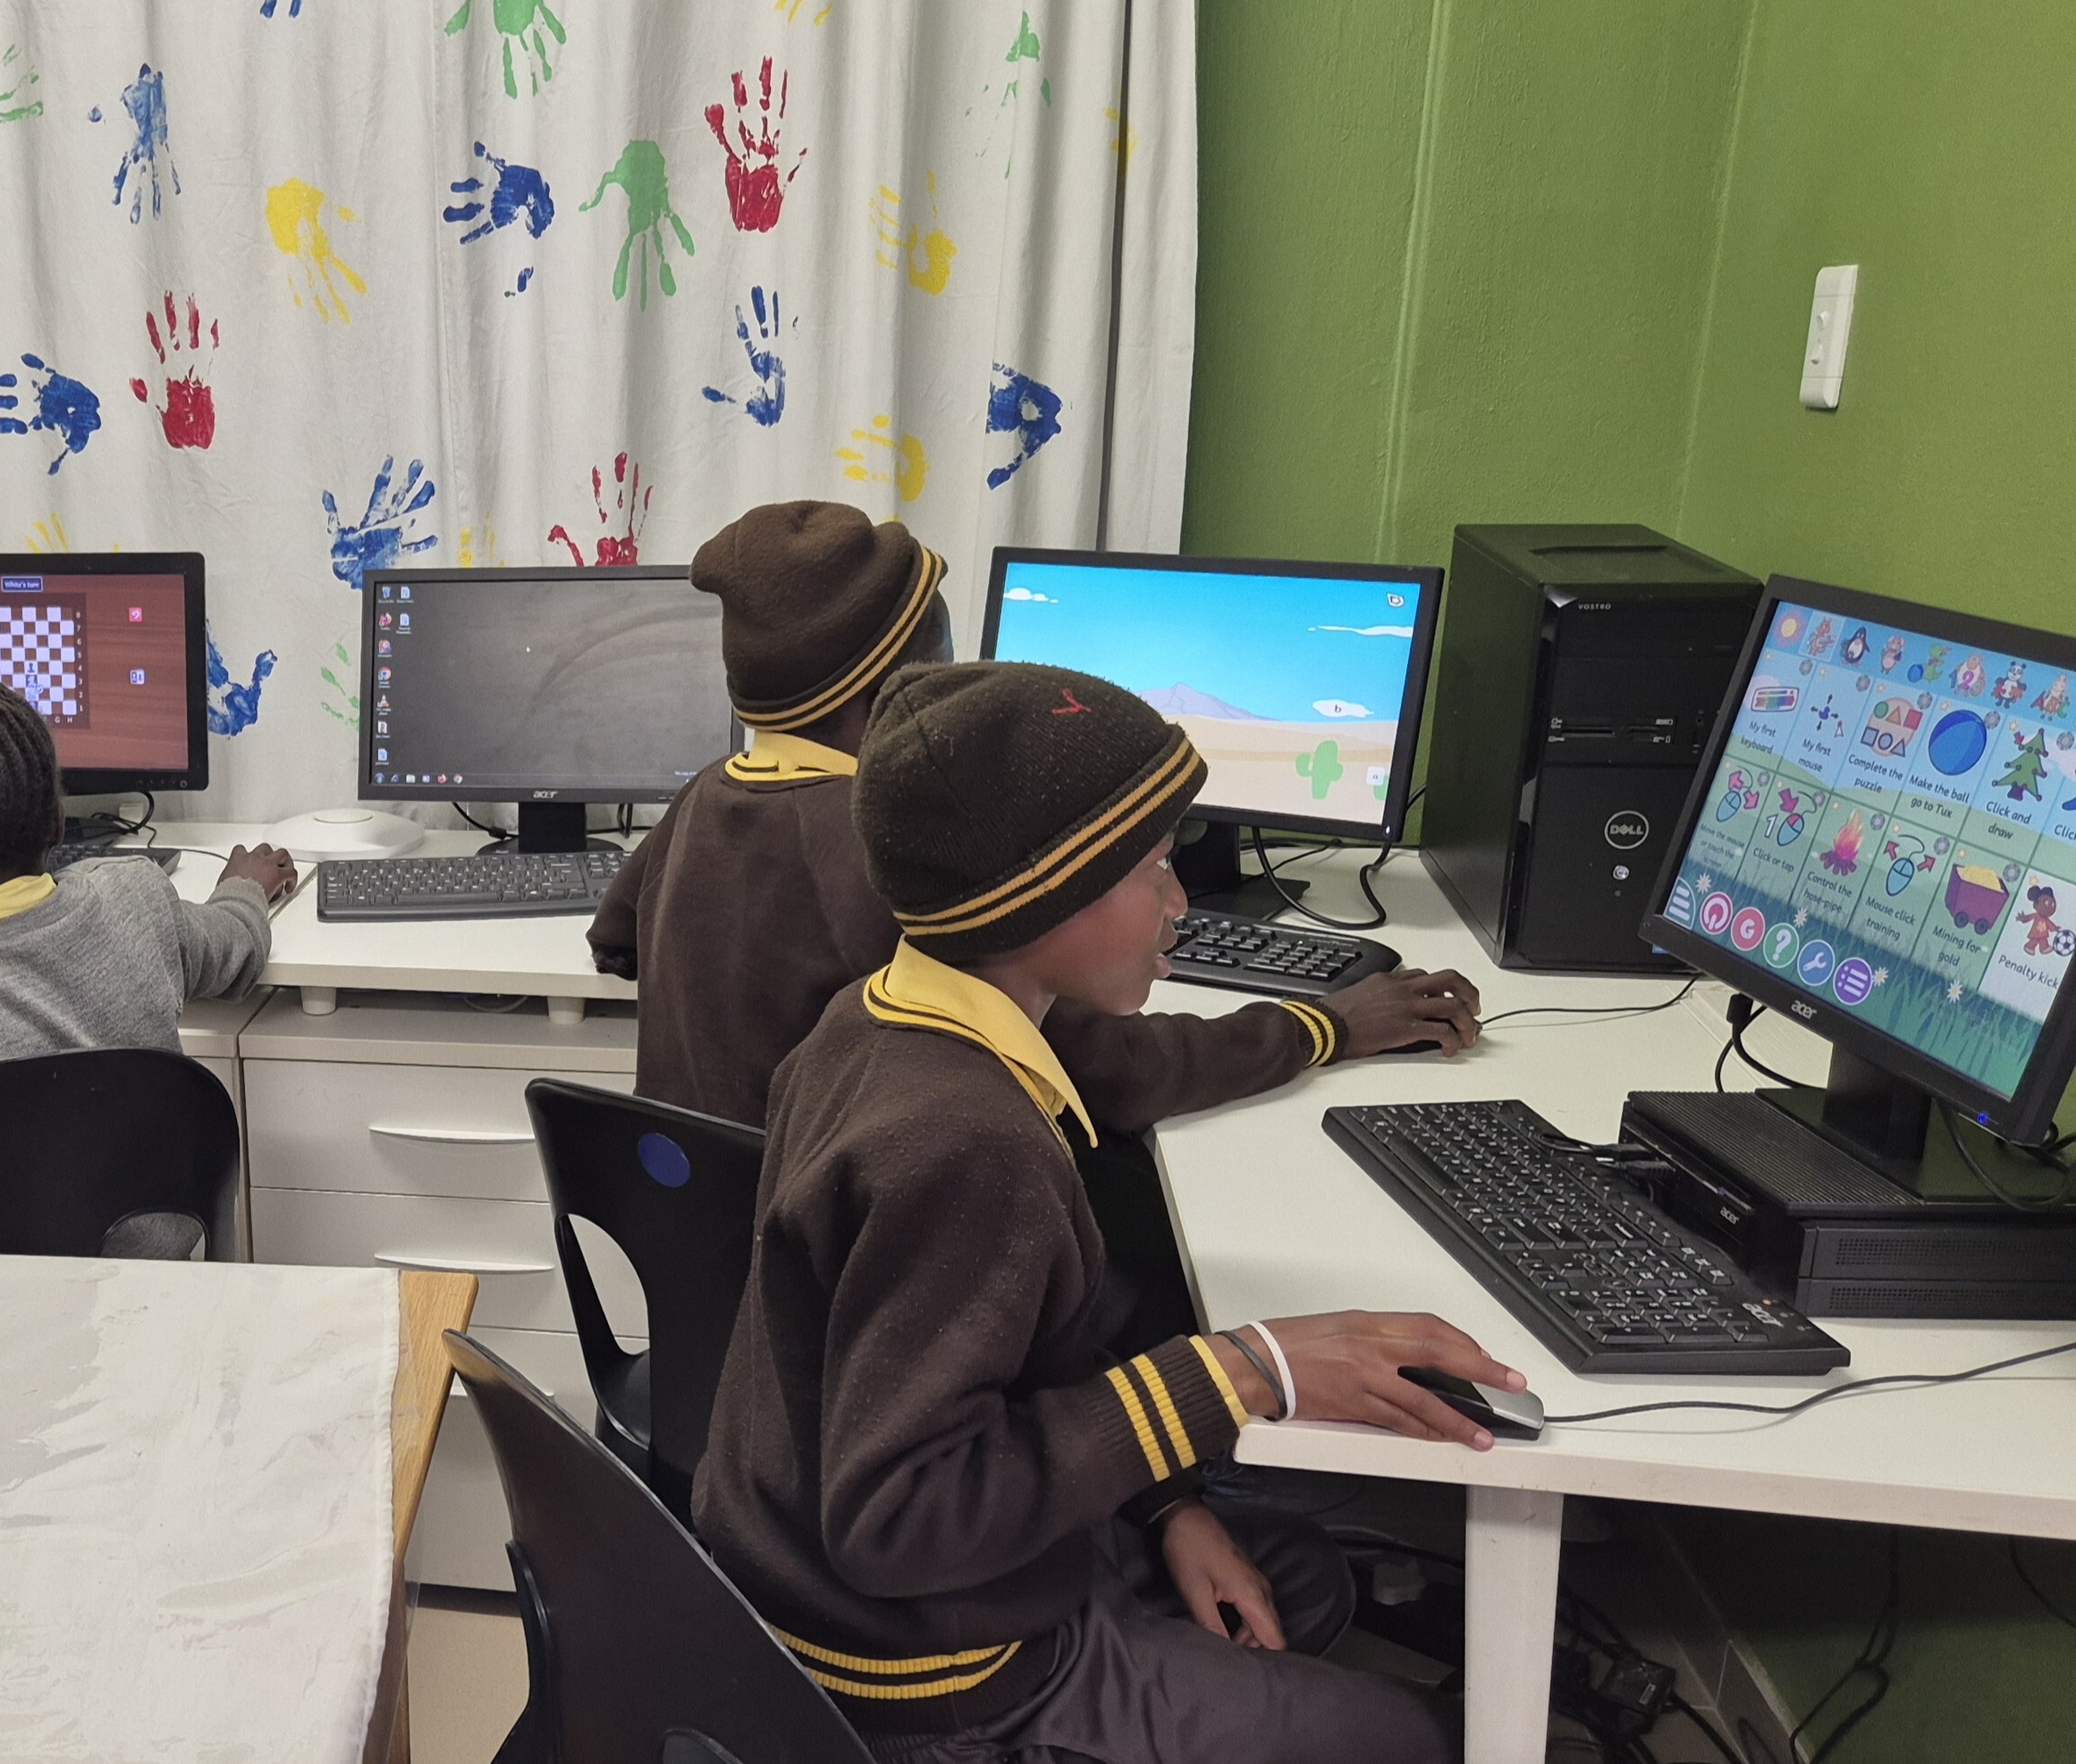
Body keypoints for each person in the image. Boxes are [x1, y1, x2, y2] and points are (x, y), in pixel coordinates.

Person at [697, 661, 1526, 1760]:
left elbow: (1007, 1367)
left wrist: (1160, 1504)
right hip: (927, 1666)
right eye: (1152, 868)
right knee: (1409, 1738)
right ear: (1040, 899)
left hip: (833, 1576)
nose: (1180, 901)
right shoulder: (961, 1141)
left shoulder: (876, 1019)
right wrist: (1238, 1370)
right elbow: (899, 1519)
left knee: (1301, 1585)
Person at [588, 500, 1482, 1133]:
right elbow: (1103, 1072)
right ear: (910, 693)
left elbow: (616, 941)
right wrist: (1324, 1025)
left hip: (730, 1234)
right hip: (849, 1250)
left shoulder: (707, 794)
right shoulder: (882, 847)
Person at [0, 604, 298, 1088]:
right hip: (162, 1166)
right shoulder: (135, 897)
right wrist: (245, 889)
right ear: (57, 821)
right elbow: (236, 952)